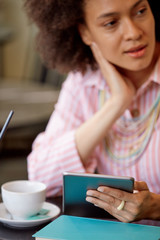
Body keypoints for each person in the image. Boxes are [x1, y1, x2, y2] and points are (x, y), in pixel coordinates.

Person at [24, 0, 160, 223]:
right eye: (111, 23)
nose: (134, 32)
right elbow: (41, 178)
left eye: (141, 11)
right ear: (85, 33)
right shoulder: (83, 82)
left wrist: (156, 207)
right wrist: (117, 102)